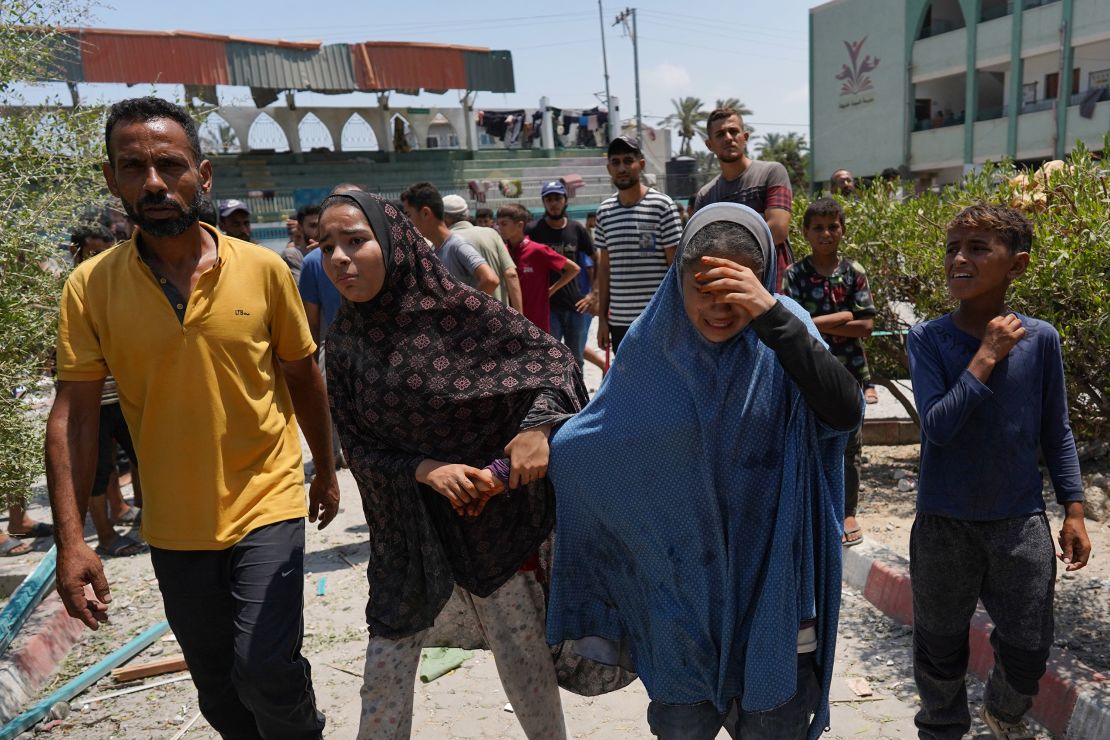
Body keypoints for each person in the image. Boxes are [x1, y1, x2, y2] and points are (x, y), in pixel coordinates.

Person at [47, 96, 338, 738]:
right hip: (174, 522)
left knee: (265, 665)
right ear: (111, 179)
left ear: (201, 176)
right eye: (134, 167)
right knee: (218, 688)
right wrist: (72, 541)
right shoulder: (90, 287)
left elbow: (301, 375)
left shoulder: (263, 270)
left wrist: (326, 471)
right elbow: (74, 417)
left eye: (169, 164)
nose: (153, 182)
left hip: (267, 497)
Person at [546, 202, 862, 740]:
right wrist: (535, 445)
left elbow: (844, 411)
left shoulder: (787, 332)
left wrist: (770, 314)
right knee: (683, 724)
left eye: (735, 291)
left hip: (775, 592)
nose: (719, 308)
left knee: (771, 722)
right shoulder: (653, 344)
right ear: (678, 282)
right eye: (703, 290)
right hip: (679, 604)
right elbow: (599, 442)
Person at [317, 191, 588, 739]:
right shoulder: (344, 342)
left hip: (486, 521)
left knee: (521, 656)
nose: (340, 258)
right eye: (327, 246)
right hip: (407, 534)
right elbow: (359, 447)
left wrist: (534, 430)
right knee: (385, 669)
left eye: (355, 240)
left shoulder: (460, 313)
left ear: (393, 243)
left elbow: (553, 363)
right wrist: (424, 468)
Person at [907, 203, 1091, 740]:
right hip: (944, 523)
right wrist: (985, 355)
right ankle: (940, 728)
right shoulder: (928, 339)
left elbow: (1055, 430)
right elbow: (938, 427)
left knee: (1029, 646)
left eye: (978, 248)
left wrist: (1073, 508)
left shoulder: (1042, 340)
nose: (959, 259)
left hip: (1018, 520)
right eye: (952, 248)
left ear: (1018, 264)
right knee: (940, 649)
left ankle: (1005, 713)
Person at [784, 198, 876, 548]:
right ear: (805, 233)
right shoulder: (794, 275)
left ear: (843, 230)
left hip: (848, 373)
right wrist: (841, 318)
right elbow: (791, 326)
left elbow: (865, 325)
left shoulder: (854, 273)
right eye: (818, 227)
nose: (826, 233)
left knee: (850, 447)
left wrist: (815, 325)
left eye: (832, 226)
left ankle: (848, 510)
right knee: (806, 441)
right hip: (806, 373)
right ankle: (811, 508)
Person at [69, 224, 146, 558]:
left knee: (144, 456)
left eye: (105, 250)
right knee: (98, 471)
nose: (99, 257)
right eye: (92, 252)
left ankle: (144, 515)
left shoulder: (120, 285)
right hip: (95, 403)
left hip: (125, 396)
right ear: (78, 252)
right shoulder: (76, 291)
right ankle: (105, 535)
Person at [594, 135, 683, 353]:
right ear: (609, 168)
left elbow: (677, 267)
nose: (622, 167)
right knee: (630, 386)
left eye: (628, 160)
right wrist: (603, 320)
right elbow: (604, 269)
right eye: (615, 162)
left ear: (641, 164)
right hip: (620, 323)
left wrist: (678, 317)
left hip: (658, 319)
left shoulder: (662, 206)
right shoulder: (604, 212)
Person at [692, 107, 794, 290]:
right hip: (726, 293)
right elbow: (701, 248)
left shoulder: (771, 173)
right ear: (709, 145)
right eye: (721, 134)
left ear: (745, 137)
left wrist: (724, 245)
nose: (728, 138)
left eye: (733, 131)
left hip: (771, 289)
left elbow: (778, 230)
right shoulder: (705, 196)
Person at [526, 181, 594, 366]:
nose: (554, 203)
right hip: (547, 306)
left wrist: (593, 294)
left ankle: (578, 395)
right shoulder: (533, 230)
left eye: (557, 198)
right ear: (543, 202)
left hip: (575, 305)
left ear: (565, 200)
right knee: (550, 359)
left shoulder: (576, 229)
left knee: (576, 360)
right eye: (549, 199)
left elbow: (596, 259)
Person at [400, 182, 499, 295]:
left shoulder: (457, 245)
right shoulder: (434, 250)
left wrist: (466, 308)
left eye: (408, 215)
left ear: (425, 213)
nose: (406, 222)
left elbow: (490, 280)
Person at [497, 203, 580, 333]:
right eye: (498, 224)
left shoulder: (538, 250)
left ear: (520, 225)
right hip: (509, 323)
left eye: (504, 224)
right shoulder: (503, 251)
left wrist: (552, 289)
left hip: (537, 324)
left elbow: (574, 269)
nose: (499, 228)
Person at [442, 193, 522, 310]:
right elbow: (511, 275)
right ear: (467, 214)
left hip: (463, 323)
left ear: (444, 218)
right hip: (500, 320)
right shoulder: (492, 234)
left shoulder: (441, 243)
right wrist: (520, 317)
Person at [282, 204, 322, 282]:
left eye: (322, 225)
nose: (319, 230)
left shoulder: (332, 252)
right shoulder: (292, 255)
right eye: (313, 226)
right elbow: (305, 288)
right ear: (300, 228)